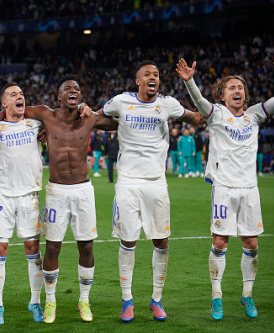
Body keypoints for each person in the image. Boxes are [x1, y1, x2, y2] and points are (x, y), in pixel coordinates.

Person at [176, 48, 274, 320]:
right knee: (220, 242)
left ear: (245, 94)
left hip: (249, 189)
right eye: (231, 87)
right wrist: (189, 81)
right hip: (223, 188)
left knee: (252, 244)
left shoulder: (254, 115)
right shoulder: (217, 114)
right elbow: (199, 103)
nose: (237, 90)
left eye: (241, 87)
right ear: (222, 95)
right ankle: (217, 298)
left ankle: (247, 295)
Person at [0, 74, 118, 324]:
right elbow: (14, 112)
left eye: (77, 89)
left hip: (83, 190)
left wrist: (94, 109)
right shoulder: (44, 115)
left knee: (87, 246)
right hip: (56, 191)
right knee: (52, 247)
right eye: (68, 88)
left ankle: (84, 300)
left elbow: (113, 124)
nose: (73, 91)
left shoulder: (88, 117)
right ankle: (49, 301)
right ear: (58, 96)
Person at [98, 60, 205, 323]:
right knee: (128, 240)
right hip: (127, 182)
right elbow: (95, 117)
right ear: (138, 81)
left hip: (157, 182)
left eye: (156, 74)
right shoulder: (120, 101)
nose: (152, 77)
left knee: (161, 241)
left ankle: (156, 300)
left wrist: (191, 84)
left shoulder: (168, 104)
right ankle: (127, 300)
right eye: (147, 74)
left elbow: (199, 117)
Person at [0, 82, 45, 325]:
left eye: (22, 93)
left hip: (29, 196)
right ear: (4, 104)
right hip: (3, 196)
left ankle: (35, 301)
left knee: (33, 250)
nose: (20, 97)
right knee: (0, 249)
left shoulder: (35, 124)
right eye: (13, 95)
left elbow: (59, 118)